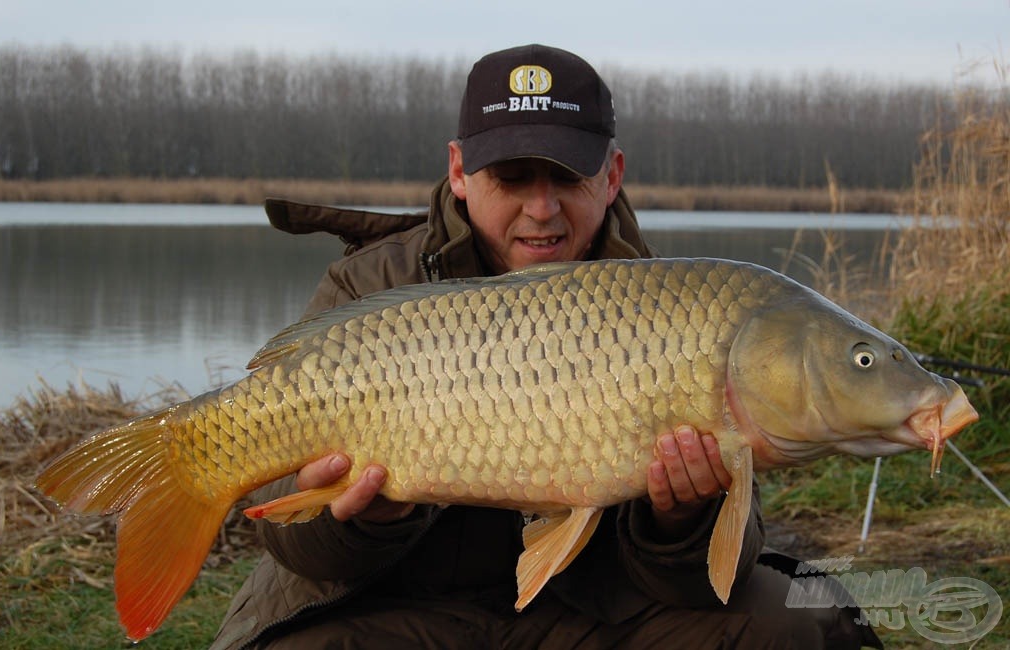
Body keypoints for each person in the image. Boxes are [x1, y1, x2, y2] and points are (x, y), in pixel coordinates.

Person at [212, 44, 880, 650]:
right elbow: (289, 537)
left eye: (565, 177)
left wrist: (681, 519)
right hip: (405, 610)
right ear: (461, 172)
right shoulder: (368, 287)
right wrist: (369, 520)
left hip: (589, 615)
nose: (542, 208)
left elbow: (704, 580)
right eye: (512, 177)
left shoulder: (677, 304)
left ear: (611, 175)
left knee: (806, 621)